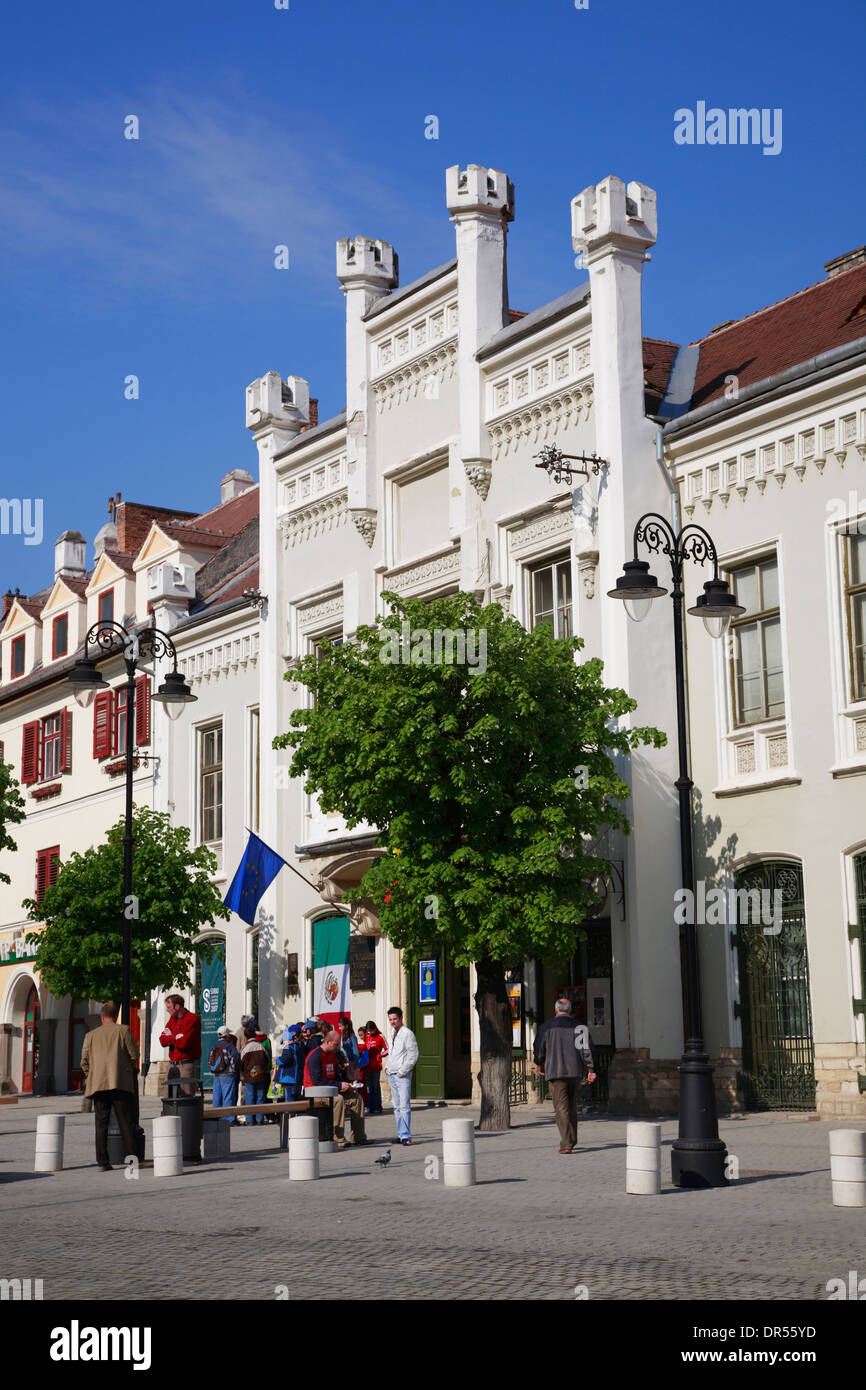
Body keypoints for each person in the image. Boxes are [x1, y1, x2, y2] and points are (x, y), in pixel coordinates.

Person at [79, 1001, 140, 1171]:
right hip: (119, 1082)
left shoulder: (90, 1035)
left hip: (98, 1085)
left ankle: (102, 1162)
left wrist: (92, 1075)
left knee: (101, 1124)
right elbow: (134, 1055)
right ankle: (133, 1160)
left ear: (102, 1016)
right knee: (125, 1122)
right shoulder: (123, 1030)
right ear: (115, 1016)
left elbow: (83, 1061)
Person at [533, 997, 597, 1153]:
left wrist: (540, 1063)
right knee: (572, 1105)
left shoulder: (546, 1027)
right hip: (575, 1071)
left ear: (556, 1010)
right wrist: (591, 1069)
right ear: (569, 1011)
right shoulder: (579, 1027)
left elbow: (539, 1049)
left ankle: (567, 1143)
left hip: (556, 1071)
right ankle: (572, 1138)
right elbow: (586, 1050)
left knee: (561, 1107)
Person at [303, 1028, 366, 1147]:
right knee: (338, 1100)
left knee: (357, 1098)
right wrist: (339, 1085)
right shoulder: (315, 1056)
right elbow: (317, 1081)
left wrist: (346, 1084)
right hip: (315, 1092)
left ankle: (359, 1137)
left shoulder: (332, 1055)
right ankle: (338, 1138)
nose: (337, 1047)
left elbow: (336, 1076)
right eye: (336, 1044)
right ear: (328, 1042)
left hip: (331, 1089)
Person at [384, 1006, 418, 1146]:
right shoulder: (393, 1032)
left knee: (404, 1105)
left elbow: (413, 1054)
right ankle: (400, 1134)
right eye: (390, 1019)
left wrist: (403, 1071)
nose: (392, 1022)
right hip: (392, 1073)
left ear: (401, 1018)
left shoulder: (407, 1033)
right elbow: (392, 1052)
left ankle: (406, 1136)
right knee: (396, 1106)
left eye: (395, 1019)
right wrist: (387, 1067)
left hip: (401, 1074)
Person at [159, 994, 202, 1096]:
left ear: (177, 1007)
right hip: (172, 1064)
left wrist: (171, 1037)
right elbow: (162, 1041)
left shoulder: (192, 1019)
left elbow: (185, 1044)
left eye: (169, 1007)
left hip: (185, 1065)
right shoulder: (172, 1020)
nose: (166, 1010)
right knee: (167, 1095)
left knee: (185, 1097)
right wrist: (175, 1037)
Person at [208, 1025, 240, 1122]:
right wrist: (234, 1072)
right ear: (227, 1035)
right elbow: (235, 1060)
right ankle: (228, 1119)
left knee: (217, 1097)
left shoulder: (214, 1047)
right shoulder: (230, 1046)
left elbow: (209, 1061)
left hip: (217, 1075)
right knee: (228, 1097)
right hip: (228, 1075)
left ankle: (216, 1117)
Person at [240, 1026, 270, 1124]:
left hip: (249, 1077)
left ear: (246, 1036)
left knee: (250, 1097)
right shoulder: (261, 1046)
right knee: (260, 1097)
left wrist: (246, 1073)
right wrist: (258, 1070)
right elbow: (267, 1060)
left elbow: (241, 1063)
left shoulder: (245, 1048)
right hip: (261, 1076)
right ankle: (259, 1119)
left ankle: (249, 1120)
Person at [363, 1020, 388, 1116]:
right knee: (368, 1087)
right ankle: (369, 1106)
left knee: (376, 1086)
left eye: (372, 1031)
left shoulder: (380, 1036)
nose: (371, 1033)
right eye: (369, 1031)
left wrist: (380, 1055)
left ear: (375, 1028)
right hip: (367, 1066)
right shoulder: (367, 1036)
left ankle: (377, 1107)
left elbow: (387, 1049)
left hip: (376, 1066)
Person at [276, 1024, 305, 1101]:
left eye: (284, 1042)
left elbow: (285, 1060)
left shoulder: (288, 1047)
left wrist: (278, 1060)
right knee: (296, 1096)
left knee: (289, 1097)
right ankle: (294, 1112)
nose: (284, 1044)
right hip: (297, 1076)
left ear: (288, 1040)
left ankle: (288, 1112)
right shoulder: (298, 1046)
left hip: (289, 1077)